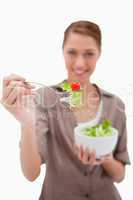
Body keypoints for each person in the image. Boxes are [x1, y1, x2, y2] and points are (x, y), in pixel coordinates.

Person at [1, 20, 131, 200]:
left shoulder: (115, 105)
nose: (80, 63)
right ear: (62, 51)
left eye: (89, 54)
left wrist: (105, 158)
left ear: (99, 54)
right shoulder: (44, 99)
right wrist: (26, 124)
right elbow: (31, 174)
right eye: (72, 52)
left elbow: (120, 175)